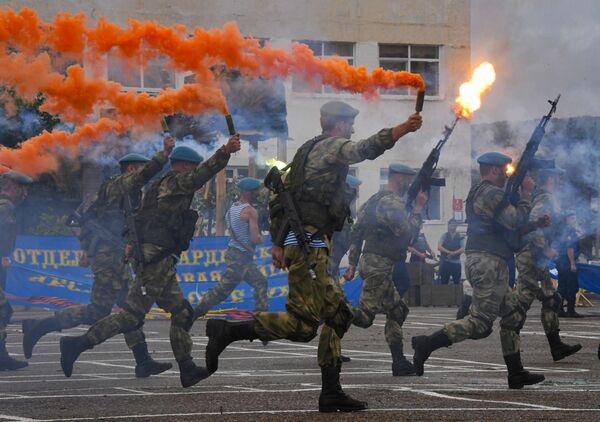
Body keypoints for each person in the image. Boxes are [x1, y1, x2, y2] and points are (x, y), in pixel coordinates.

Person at [202, 100, 423, 412]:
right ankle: (227, 332)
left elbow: (283, 200)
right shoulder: (332, 146)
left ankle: (331, 392)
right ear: (338, 124)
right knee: (306, 324)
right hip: (310, 249)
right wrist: (404, 128)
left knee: (332, 317)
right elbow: (365, 149)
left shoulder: (305, 151)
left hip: (304, 245)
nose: (352, 129)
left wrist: (278, 244)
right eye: (348, 124)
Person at [59, 136, 241, 389]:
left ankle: (187, 368)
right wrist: (225, 152)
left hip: (160, 258)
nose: (197, 179)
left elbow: (140, 218)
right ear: (185, 166)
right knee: (131, 316)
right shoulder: (177, 182)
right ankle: (77, 344)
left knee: (182, 312)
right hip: (157, 259)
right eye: (193, 167)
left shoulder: (157, 185)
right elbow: (200, 176)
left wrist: (132, 244)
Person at [22, 138, 174, 379]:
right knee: (98, 310)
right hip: (107, 257)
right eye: (141, 169)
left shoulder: (128, 195)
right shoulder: (118, 186)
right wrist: (163, 155)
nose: (144, 176)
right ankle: (40, 326)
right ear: (131, 169)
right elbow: (79, 219)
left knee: (129, 309)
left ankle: (143, 360)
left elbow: (85, 218)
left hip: (117, 257)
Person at [412, 152, 547, 389]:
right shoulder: (490, 192)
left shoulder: (484, 192)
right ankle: (426, 344)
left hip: (490, 260)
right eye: (504, 170)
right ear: (494, 170)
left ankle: (516, 372)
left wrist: (534, 224)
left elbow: (505, 229)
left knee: (513, 313)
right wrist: (525, 194)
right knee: (481, 323)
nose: (507, 175)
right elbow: (514, 220)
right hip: (488, 263)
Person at [344, 163, 427, 376]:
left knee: (397, 310)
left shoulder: (374, 200)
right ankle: (329, 310)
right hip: (379, 264)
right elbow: (407, 234)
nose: (411, 184)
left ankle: (399, 362)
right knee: (364, 317)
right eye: (408, 179)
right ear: (400, 179)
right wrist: (418, 209)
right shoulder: (393, 202)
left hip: (372, 261)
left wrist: (353, 263)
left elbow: (357, 231)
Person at [499, 167, 581, 363]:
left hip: (535, 256)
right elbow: (532, 223)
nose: (561, 181)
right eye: (558, 178)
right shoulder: (545, 199)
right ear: (551, 179)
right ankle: (510, 337)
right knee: (523, 301)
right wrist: (544, 249)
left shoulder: (546, 197)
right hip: (532, 255)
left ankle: (556, 346)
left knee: (552, 299)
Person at [193, 177, 268, 319]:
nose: (258, 194)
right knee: (222, 291)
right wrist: (261, 237)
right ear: (248, 192)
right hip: (240, 258)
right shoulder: (251, 211)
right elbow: (254, 238)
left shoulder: (232, 208)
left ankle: (262, 320)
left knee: (260, 282)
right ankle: (196, 312)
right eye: (255, 191)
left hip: (236, 255)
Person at [0, 171, 31, 370]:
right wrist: (2, 254)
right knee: (3, 309)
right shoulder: (5, 206)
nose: (25, 194)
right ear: (13, 187)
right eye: (23, 189)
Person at [328, 174, 362, 282]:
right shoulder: (338, 214)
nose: (357, 196)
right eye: (356, 191)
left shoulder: (346, 215)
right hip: (327, 269)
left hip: (332, 268)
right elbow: (344, 240)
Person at [556, 210, 582, 318]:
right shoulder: (570, 231)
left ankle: (559, 309)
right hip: (567, 262)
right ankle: (570, 310)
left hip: (560, 262)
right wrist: (572, 263)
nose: (574, 220)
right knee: (571, 286)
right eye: (572, 218)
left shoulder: (561, 230)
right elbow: (570, 248)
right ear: (567, 219)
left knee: (562, 286)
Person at [438, 219, 464, 284]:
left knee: (457, 283)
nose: (453, 226)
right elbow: (439, 247)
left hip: (456, 263)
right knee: (444, 282)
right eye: (451, 225)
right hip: (445, 263)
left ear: (456, 226)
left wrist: (453, 253)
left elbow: (463, 249)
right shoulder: (444, 235)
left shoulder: (460, 236)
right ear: (448, 226)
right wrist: (449, 252)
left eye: (454, 225)